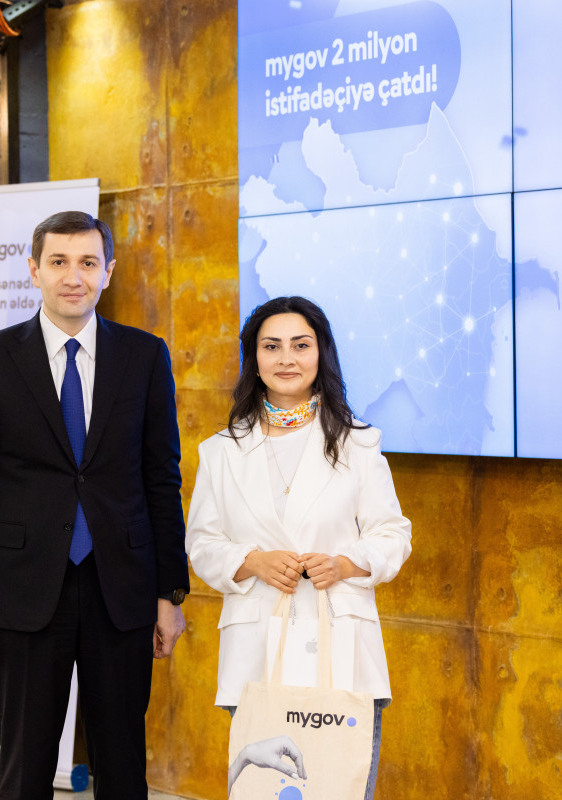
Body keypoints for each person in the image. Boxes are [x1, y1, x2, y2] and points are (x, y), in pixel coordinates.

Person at [0, 210, 190, 799]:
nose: (73, 276)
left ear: (108, 271)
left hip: (122, 592)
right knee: (25, 767)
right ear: (34, 270)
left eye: (87, 262)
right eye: (58, 262)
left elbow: (162, 479)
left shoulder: (145, 356)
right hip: (25, 593)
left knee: (123, 767)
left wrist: (170, 594)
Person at [185, 296, 412, 799]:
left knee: (340, 786)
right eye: (271, 346)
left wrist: (346, 563)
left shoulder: (359, 443)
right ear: (254, 359)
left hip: (342, 645)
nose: (286, 358)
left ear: (320, 354)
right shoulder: (221, 451)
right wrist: (252, 562)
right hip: (256, 649)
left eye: (300, 345)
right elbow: (201, 543)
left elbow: (393, 533)